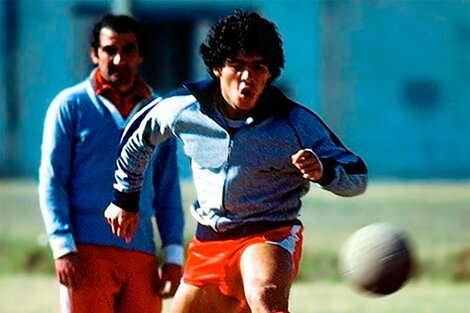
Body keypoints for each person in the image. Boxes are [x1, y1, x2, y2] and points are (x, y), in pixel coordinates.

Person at [105, 10, 368, 313]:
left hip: (268, 235)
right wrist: (125, 197)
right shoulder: (184, 109)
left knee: (264, 296)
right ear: (217, 67)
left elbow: (356, 175)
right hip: (209, 243)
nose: (247, 77)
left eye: (258, 67)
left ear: (270, 73)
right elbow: (138, 136)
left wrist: (323, 172)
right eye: (237, 65)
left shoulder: (294, 122)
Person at [38, 14, 184, 313]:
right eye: (109, 50)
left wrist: (172, 254)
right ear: (94, 53)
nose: (119, 59)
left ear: (141, 55)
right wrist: (63, 246)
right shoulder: (69, 107)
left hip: (142, 253)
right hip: (86, 251)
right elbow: (52, 182)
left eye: (129, 50)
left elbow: (167, 190)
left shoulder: (159, 113)